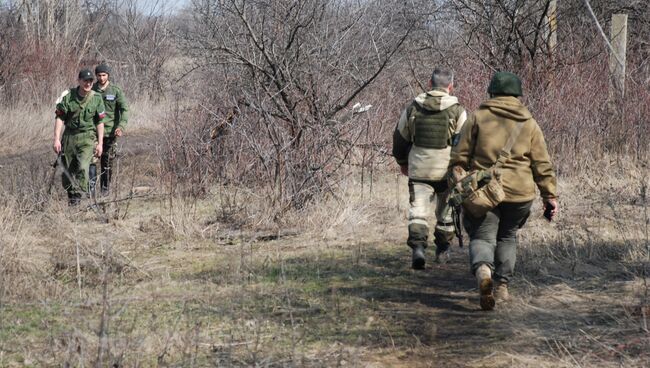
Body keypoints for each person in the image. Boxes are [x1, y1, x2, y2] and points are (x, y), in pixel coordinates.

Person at [449, 71, 558, 310]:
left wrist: (460, 179)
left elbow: (459, 157)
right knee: (507, 236)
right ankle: (501, 286)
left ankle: (484, 274)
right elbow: (542, 163)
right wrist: (549, 195)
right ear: (517, 94)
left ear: (492, 92)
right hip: (520, 193)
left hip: (484, 191)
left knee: (482, 236)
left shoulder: (478, 117)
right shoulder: (528, 122)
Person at [392, 68, 468, 269]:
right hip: (446, 171)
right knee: (445, 213)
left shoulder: (413, 107)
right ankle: (443, 250)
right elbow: (464, 144)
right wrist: (461, 169)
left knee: (418, 210)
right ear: (450, 86)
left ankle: (418, 248)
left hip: (419, 169)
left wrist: (402, 162)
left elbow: (399, 137)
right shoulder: (458, 110)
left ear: (429, 83)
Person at [53, 69, 107, 205]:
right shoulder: (68, 97)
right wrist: (56, 139)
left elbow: (100, 122)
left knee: (83, 166)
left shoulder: (96, 98)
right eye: (85, 80)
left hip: (87, 137)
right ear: (79, 80)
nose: (88, 83)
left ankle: (80, 194)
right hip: (69, 137)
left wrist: (100, 143)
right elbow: (60, 118)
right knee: (67, 171)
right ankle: (72, 198)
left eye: (90, 81)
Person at [92, 62, 129, 195]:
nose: (101, 78)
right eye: (99, 75)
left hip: (110, 133)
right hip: (93, 133)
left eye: (104, 75)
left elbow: (124, 109)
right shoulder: (91, 89)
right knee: (91, 162)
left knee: (107, 163)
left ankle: (105, 191)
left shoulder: (115, 90)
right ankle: (91, 192)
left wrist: (121, 126)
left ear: (108, 75)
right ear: (96, 76)